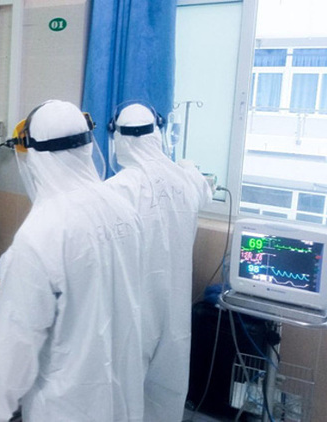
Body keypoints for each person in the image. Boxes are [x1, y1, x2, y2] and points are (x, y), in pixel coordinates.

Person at [0, 100, 145, 421]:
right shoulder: (124, 209)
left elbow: (17, 342)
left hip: (67, 405)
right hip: (123, 395)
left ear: (35, 154)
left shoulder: (41, 233)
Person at [105, 103, 212, 420]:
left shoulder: (118, 189)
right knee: (166, 395)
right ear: (157, 133)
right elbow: (204, 190)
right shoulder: (186, 180)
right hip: (174, 313)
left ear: (119, 138)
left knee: (122, 398)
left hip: (132, 311)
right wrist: (187, 165)